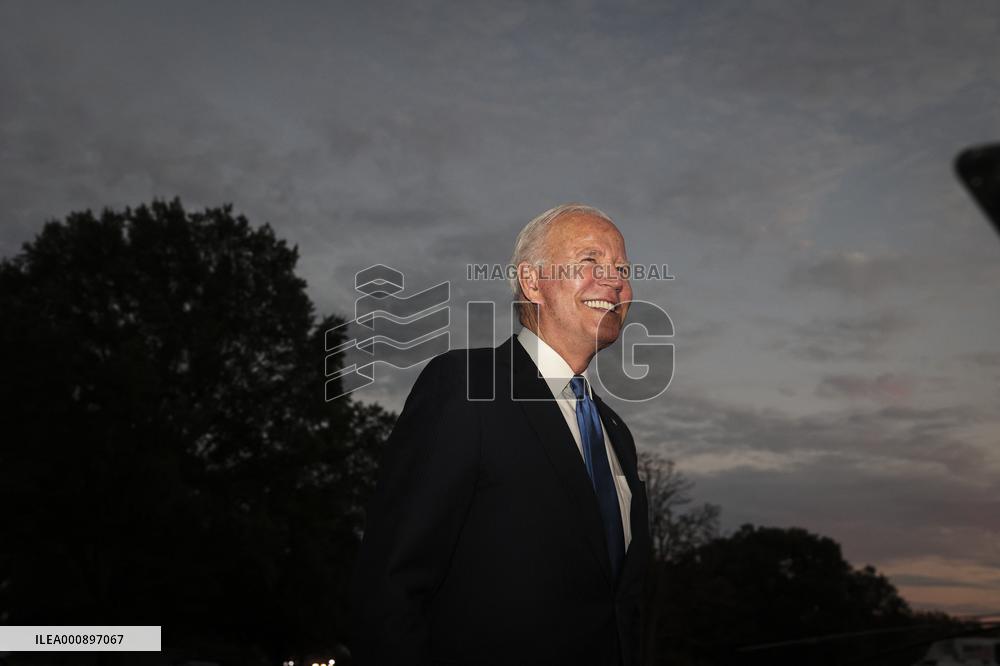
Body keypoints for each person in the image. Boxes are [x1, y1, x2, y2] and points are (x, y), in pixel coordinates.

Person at [350, 204, 650, 666]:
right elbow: (391, 585)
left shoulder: (617, 436)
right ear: (532, 282)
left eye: (623, 270)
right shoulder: (467, 387)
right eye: (590, 261)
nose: (615, 281)